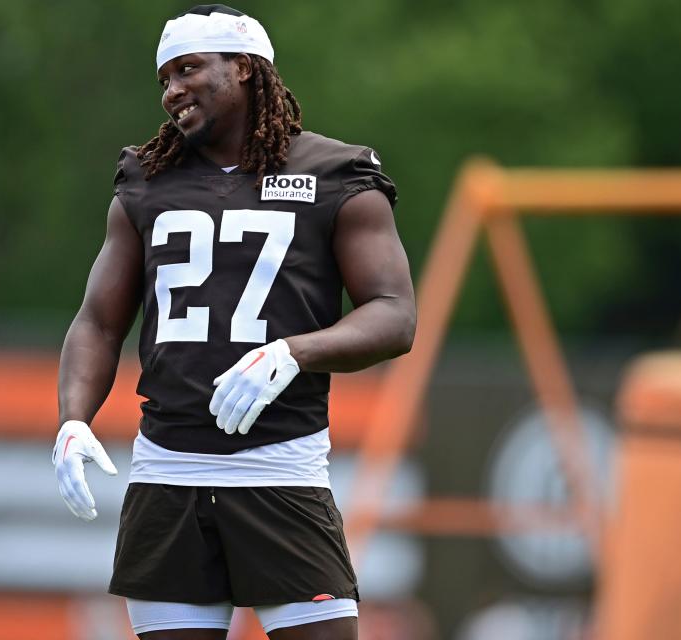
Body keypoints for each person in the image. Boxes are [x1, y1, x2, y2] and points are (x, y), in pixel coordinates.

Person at [52, 5, 416, 639]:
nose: (172, 91)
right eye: (164, 78)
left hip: (280, 468)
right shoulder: (147, 179)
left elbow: (394, 315)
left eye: (189, 69)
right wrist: (73, 418)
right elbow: (99, 322)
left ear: (245, 68)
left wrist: (294, 352)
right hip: (168, 473)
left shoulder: (333, 173)